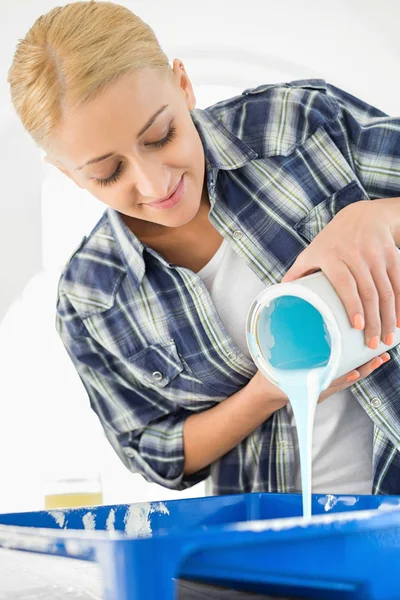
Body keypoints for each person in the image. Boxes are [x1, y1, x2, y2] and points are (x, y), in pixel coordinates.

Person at [7, 1, 400, 598]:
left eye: (161, 135)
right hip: (266, 565)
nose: (155, 184)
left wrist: (376, 218)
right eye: (108, 173)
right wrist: (267, 392)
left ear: (184, 84)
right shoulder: (92, 298)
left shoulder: (299, 124)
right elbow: (161, 454)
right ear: (66, 174)